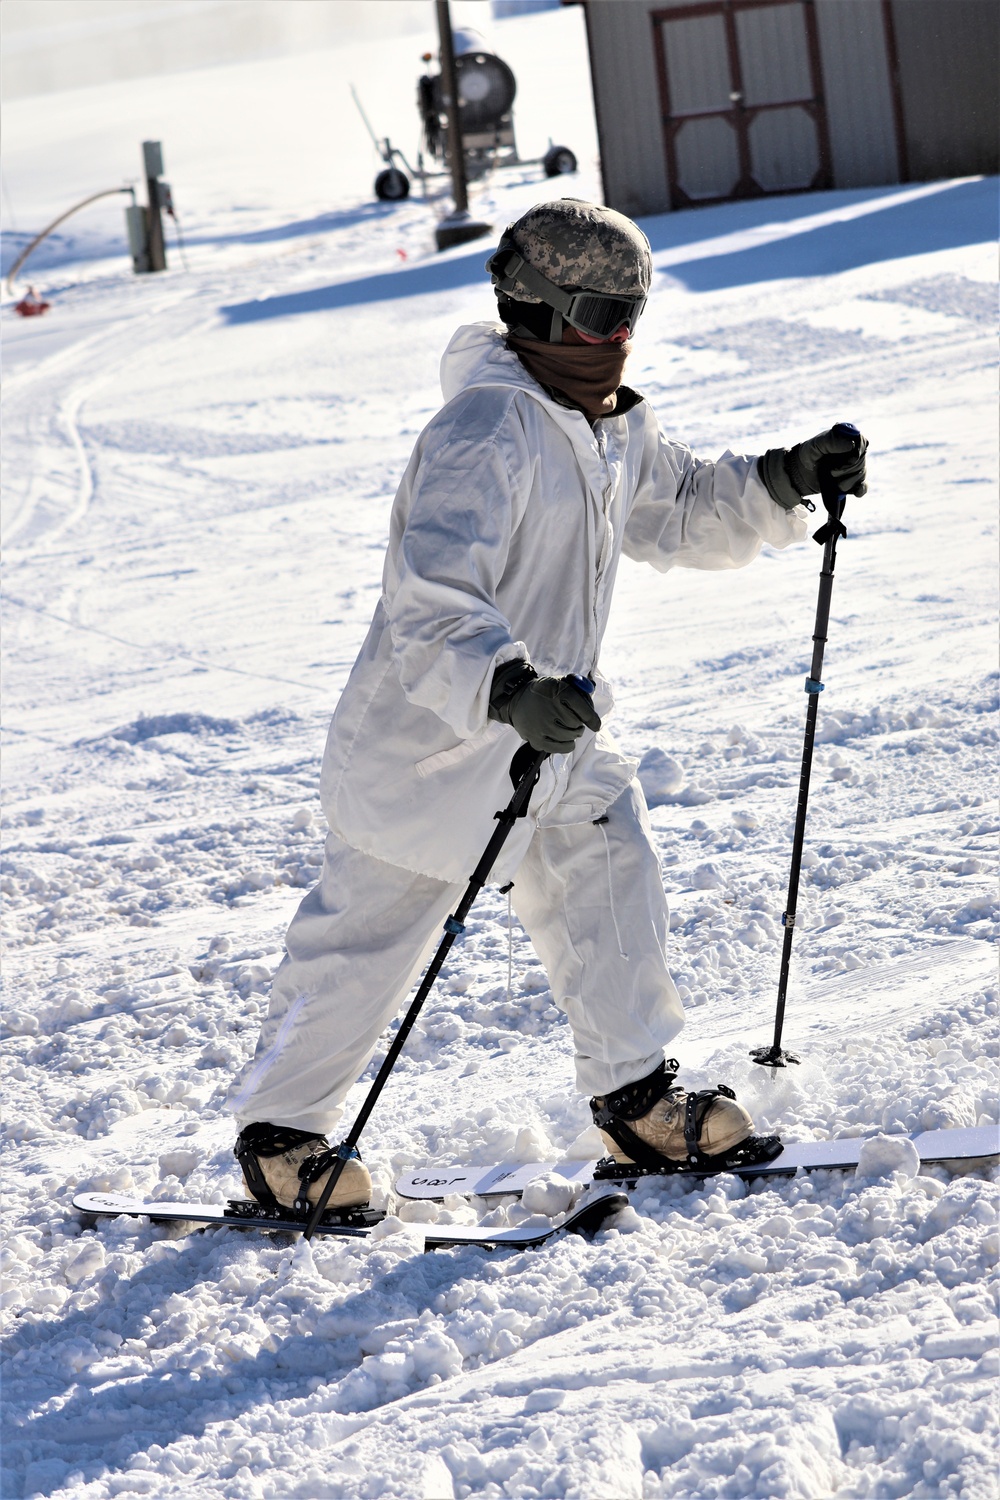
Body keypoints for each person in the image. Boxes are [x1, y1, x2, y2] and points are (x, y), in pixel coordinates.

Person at [227, 199, 868, 1212]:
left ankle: (633, 1097)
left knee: (607, 854)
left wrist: (782, 479)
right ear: (535, 311)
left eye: (632, 312)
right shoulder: (485, 430)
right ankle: (280, 1140)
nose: (619, 337)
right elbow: (429, 602)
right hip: (427, 749)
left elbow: (680, 505)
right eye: (600, 313)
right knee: (365, 943)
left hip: (550, 740)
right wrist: (506, 687)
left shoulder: (605, 426)